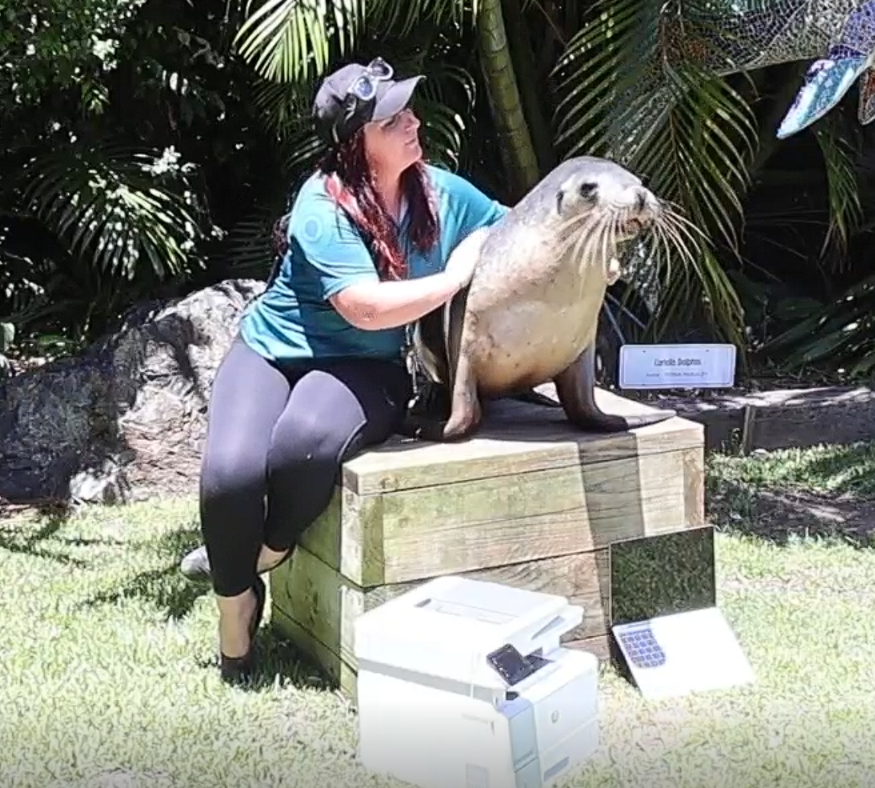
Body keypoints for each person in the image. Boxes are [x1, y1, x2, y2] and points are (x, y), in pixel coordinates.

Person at [179, 56, 509, 684]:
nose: (413, 122)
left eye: (410, 110)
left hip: (366, 366)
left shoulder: (440, 192)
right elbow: (362, 306)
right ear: (357, 143)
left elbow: (508, 227)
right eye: (393, 120)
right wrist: (451, 278)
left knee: (302, 446)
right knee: (229, 475)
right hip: (273, 349)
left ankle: (266, 551)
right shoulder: (321, 205)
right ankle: (236, 608)